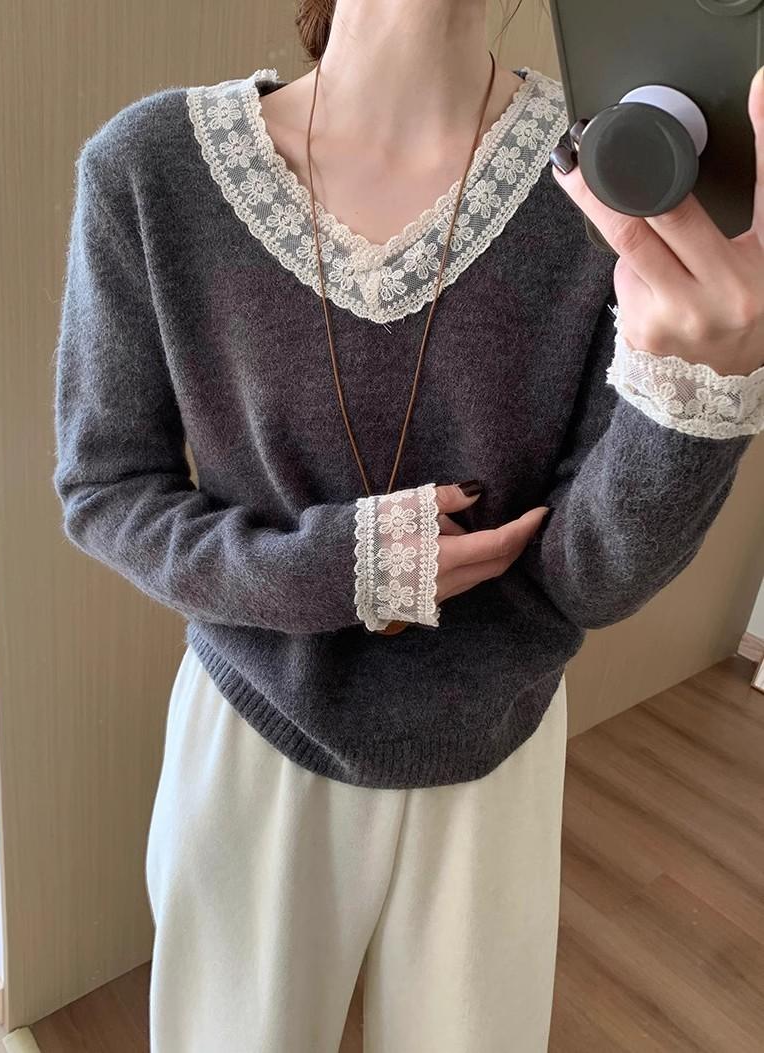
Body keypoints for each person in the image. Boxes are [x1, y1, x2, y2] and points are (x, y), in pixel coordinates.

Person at [51, 0, 764, 1049]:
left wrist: (691, 402)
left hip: (495, 751)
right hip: (255, 740)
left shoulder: (605, 178)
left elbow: (588, 579)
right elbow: (106, 489)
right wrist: (338, 570)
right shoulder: (149, 169)